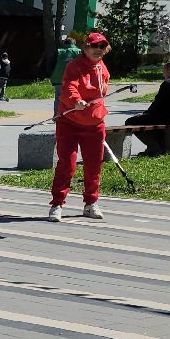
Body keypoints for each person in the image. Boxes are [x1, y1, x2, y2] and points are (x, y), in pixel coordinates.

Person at [49, 31, 113, 222]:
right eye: (94, 46)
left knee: (94, 166)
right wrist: (76, 100)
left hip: (95, 125)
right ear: (86, 47)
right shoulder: (74, 66)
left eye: (102, 47)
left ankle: (91, 203)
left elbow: (102, 92)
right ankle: (57, 204)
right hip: (70, 123)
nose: (98, 50)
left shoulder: (103, 68)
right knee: (67, 165)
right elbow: (69, 86)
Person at [129, 59, 170, 156]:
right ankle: (157, 147)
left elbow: (157, 104)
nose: (163, 75)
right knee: (152, 120)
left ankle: (155, 147)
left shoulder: (169, 83)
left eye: (164, 72)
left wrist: (145, 114)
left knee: (131, 122)